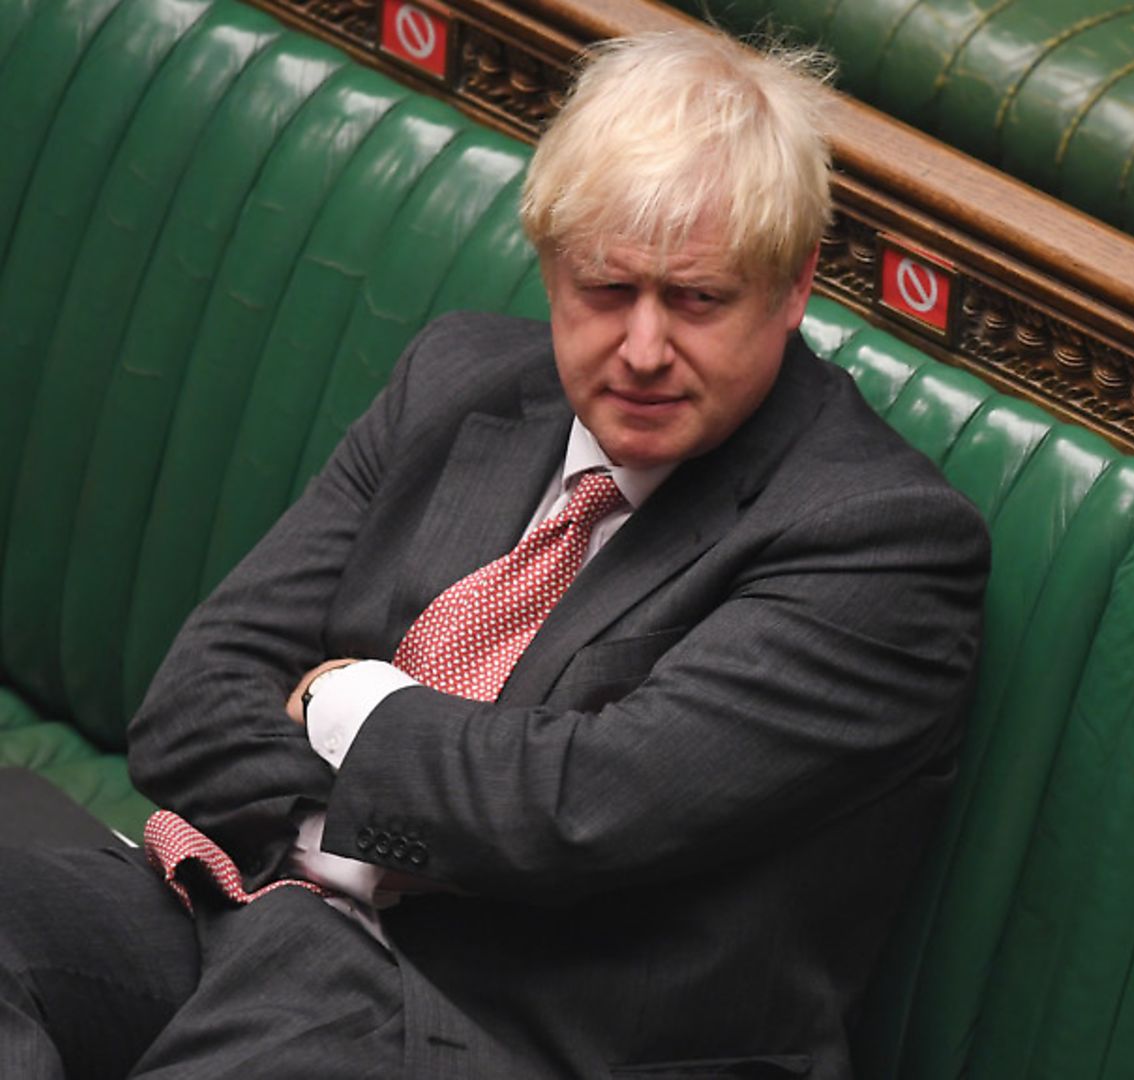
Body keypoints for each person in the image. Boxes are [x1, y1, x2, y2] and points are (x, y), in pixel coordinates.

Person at [0, 28, 989, 1079]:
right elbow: (193, 697)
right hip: (252, 917)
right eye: (608, 290)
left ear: (793, 289)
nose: (646, 350)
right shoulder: (460, 380)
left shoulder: (880, 540)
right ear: (553, 266)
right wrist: (355, 830)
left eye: (699, 300)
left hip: (514, 1035)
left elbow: (572, 811)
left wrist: (340, 701)